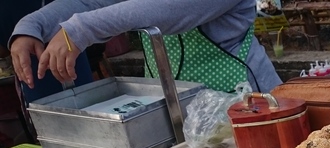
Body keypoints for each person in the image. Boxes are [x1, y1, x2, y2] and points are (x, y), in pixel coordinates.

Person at [9, 0, 282, 95]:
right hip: (173, 108)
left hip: (244, 103)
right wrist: (31, 26)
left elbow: (167, 11)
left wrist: (79, 30)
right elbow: (91, 2)